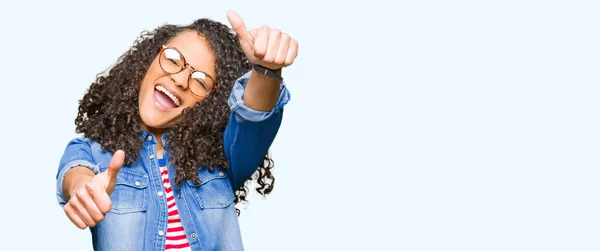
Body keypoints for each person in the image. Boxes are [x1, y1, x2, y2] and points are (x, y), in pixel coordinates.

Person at [55, 10, 297, 251]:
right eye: (173, 60)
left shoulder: (220, 158)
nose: (181, 80)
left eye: (200, 82)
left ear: (210, 102)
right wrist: (82, 190)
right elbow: (75, 174)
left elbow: (254, 117)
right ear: (147, 62)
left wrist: (266, 70)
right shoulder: (90, 152)